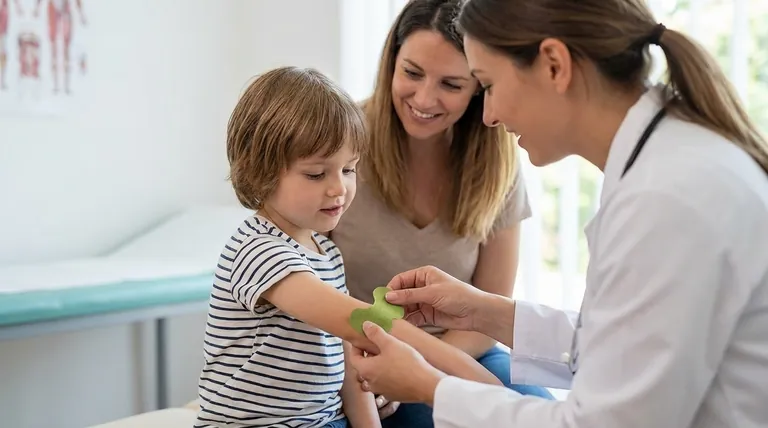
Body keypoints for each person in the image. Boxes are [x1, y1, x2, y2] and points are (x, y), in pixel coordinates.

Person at [348, 0, 768, 426]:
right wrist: (484, 312)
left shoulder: (668, 199)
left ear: (553, 65)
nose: (489, 115)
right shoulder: (670, 164)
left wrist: (430, 386)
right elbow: (623, 346)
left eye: (487, 85)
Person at [193, 66, 502, 428]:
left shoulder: (326, 254)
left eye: (349, 170)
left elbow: (348, 365)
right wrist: (468, 374)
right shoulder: (258, 251)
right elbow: (359, 323)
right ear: (260, 170)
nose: (339, 188)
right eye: (316, 174)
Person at [331, 1, 553, 424]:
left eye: (451, 84)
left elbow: (490, 306)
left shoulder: (497, 166)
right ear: (391, 62)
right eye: (412, 73)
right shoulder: (340, 146)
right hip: (351, 361)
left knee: (534, 408)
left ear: (478, 88)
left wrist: (423, 372)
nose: (425, 98)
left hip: (461, 353)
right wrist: (380, 370)